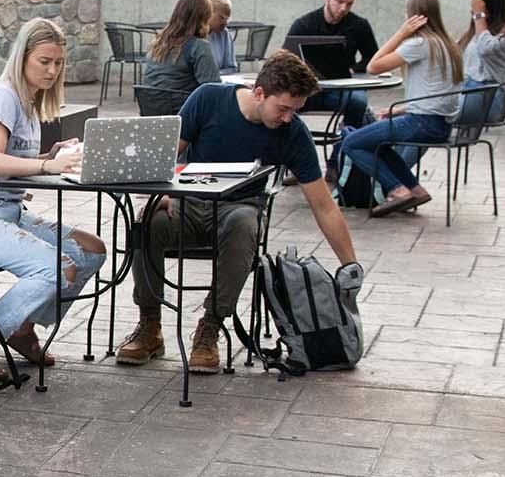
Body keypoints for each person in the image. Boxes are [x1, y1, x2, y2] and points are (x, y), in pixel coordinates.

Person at [116, 52, 360, 373]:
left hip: (238, 211)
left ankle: (211, 326)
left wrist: (350, 265)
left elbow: (324, 205)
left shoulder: (294, 133)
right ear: (259, 93)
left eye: (295, 110)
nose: (288, 118)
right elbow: (165, 153)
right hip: (188, 204)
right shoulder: (208, 99)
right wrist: (160, 189)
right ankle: (150, 325)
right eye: (283, 108)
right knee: (145, 221)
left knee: (245, 224)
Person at [0, 17, 109, 366]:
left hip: (5, 212)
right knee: (57, 268)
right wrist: (46, 167)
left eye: (58, 63)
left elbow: (11, 159)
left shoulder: (29, 101)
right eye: (44, 61)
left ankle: (21, 324)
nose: (53, 70)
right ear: (22, 57)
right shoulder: (2, 97)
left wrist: (49, 155)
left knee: (91, 250)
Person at [341, 0, 466, 218]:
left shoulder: (420, 43)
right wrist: (401, 109)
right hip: (439, 124)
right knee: (379, 143)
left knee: (352, 142)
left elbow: (373, 66)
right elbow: (437, 93)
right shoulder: (448, 44)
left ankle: (398, 190)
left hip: (422, 122)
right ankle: (416, 190)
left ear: (414, 17)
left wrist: (401, 33)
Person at [285, 0, 381, 129]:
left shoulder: (359, 25)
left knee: (358, 102)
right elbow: (286, 57)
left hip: (342, 88)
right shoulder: (304, 24)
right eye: (339, 1)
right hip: (308, 90)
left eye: (349, 4)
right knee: (283, 102)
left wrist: (353, 69)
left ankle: (343, 149)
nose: (343, 8)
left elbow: (372, 57)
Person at [141, 0, 221, 112]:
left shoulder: (157, 43)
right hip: (183, 113)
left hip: (152, 113)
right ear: (204, 19)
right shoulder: (199, 46)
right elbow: (213, 88)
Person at [459, 0, 505, 90]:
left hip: (489, 92)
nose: (473, 11)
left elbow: (485, 49)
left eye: (478, 7)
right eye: (473, 6)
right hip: (467, 89)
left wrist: (479, 15)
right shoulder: (473, 34)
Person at [206, 0, 239, 73]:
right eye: (221, 17)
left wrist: (216, 75)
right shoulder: (191, 32)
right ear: (208, 13)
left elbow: (231, 67)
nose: (225, 23)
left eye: (227, 19)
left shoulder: (224, 33)